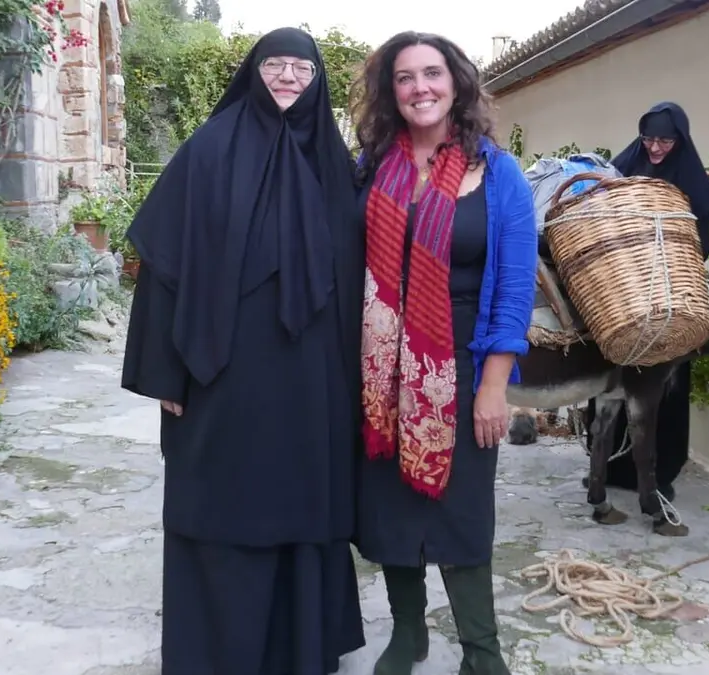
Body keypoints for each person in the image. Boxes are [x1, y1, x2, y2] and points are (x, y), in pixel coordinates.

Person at [119, 27, 365, 675]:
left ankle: (300, 648)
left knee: (304, 504)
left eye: (302, 69)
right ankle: (220, 652)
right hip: (223, 372)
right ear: (255, 72)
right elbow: (163, 266)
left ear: (318, 81)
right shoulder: (210, 148)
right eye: (276, 66)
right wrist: (163, 371)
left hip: (313, 375)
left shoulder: (335, 166)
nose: (288, 77)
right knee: (223, 502)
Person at [350, 31, 537, 675]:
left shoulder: (498, 173)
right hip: (379, 368)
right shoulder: (372, 168)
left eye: (432, 73)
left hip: (461, 361)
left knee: (461, 513)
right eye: (405, 77)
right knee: (390, 508)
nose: (420, 88)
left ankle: (481, 652)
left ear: (456, 84)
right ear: (390, 92)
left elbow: (515, 288)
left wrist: (494, 385)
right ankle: (409, 636)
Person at [582, 101, 709, 502]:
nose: (656, 148)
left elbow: (701, 245)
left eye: (664, 140)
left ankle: (657, 474)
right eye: (649, 139)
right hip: (622, 294)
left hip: (666, 295)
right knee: (611, 380)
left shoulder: (694, 185)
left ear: (680, 140)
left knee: (662, 387)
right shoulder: (625, 166)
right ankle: (607, 467)